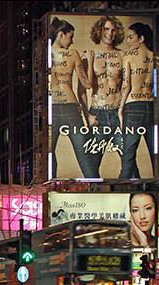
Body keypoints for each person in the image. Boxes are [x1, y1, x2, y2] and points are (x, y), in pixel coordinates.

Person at [48, 16, 97, 178]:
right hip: (70, 108)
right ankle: (94, 188)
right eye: (70, 37)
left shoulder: (43, 54)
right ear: (60, 35)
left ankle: (51, 186)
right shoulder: (73, 54)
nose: (72, 42)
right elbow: (88, 84)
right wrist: (89, 61)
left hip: (51, 109)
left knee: (48, 153)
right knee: (84, 153)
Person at [83, 15, 127, 174]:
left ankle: (130, 194)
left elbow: (126, 85)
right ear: (100, 30)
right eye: (107, 29)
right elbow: (82, 88)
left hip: (117, 112)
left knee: (128, 158)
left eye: (114, 30)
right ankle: (92, 194)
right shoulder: (90, 54)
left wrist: (124, 111)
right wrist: (87, 114)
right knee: (92, 163)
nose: (110, 33)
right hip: (98, 112)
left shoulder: (123, 56)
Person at [118, 22, 155, 179]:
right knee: (154, 151)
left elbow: (126, 85)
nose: (128, 41)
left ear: (141, 38)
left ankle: (123, 189)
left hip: (133, 105)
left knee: (128, 154)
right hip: (151, 105)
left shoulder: (129, 57)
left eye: (131, 37)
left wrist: (120, 108)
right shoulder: (154, 56)